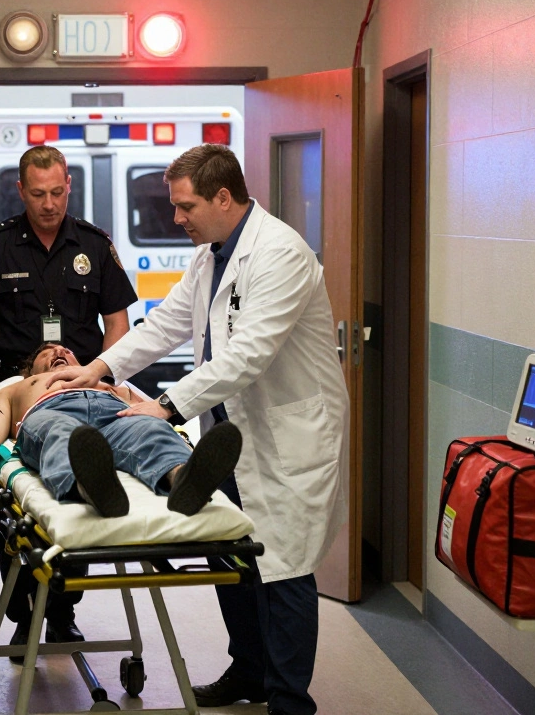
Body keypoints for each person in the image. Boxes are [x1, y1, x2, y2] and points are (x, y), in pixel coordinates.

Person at [45, 144, 349, 715]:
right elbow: (165, 324)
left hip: (288, 439)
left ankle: (288, 701)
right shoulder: (210, 255)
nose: (177, 218)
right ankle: (250, 671)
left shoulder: (280, 254)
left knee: (283, 569)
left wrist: (165, 406)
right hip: (232, 435)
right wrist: (99, 368)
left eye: (185, 207)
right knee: (228, 556)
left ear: (223, 197)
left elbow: (248, 355)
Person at [0, 145, 138, 653]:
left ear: (69, 187)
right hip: (17, 386)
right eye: (38, 194)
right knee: (15, 502)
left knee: (71, 494)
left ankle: (62, 612)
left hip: (80, 381)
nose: (49, 203)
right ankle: (22, 613)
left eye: (57, 192)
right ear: (21, 190)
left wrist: (103, 377)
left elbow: (117, 322)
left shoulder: (95, 245)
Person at [0, 343, 243, 518]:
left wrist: (164, 426)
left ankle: (185, 479)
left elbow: (158, 415)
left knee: (148, 429)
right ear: (31, 371)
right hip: (51, 412)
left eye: (66, 351)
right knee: (62, 434)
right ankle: (91, 487)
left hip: (116, 415)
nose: (59, 352)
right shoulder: (15, 389)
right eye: (47, 354)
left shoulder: (110, 385)